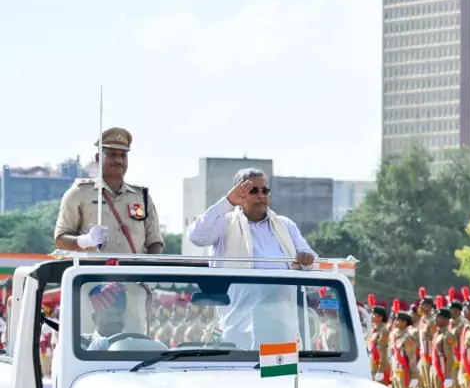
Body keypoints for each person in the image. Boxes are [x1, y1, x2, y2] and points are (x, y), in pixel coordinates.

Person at [187, 169, 318, 347]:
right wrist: (228, 202)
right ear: (239, 193)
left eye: (265, 191)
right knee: (239, 375)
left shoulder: (285, 226)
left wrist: (306, 260)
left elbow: (314, 263)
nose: (260, 195)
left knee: (280, 375)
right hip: (238, 331)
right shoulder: (225, 224)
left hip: (281, 333)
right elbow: (196, 236)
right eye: (253, 191)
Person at [55, 128, 164, 255]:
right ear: (98, 158)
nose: (118, 160)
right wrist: (85, 241)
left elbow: (155, 241)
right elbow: (60, 238)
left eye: (123, 155)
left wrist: (149, 269)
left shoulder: (142, 197)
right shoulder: (79, 193)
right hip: (94, 271)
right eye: (112, 155)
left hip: (133, 272)